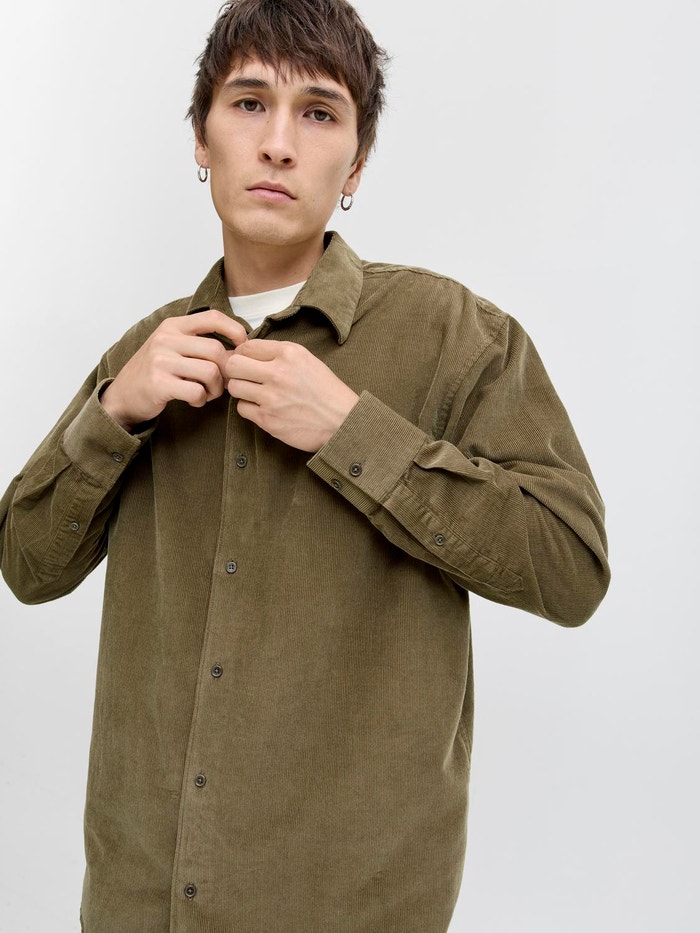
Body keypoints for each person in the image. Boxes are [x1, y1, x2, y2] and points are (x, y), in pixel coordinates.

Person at [0, 0, 610, 930]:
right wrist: (115, 411)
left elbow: (572, 568)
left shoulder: (456, 335)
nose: (278, 144)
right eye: (249, 103)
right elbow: (27, 565)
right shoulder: (146, 354)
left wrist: (351, 431)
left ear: (356, 163)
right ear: (201, 138)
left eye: (319, 113)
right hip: (138, 903)